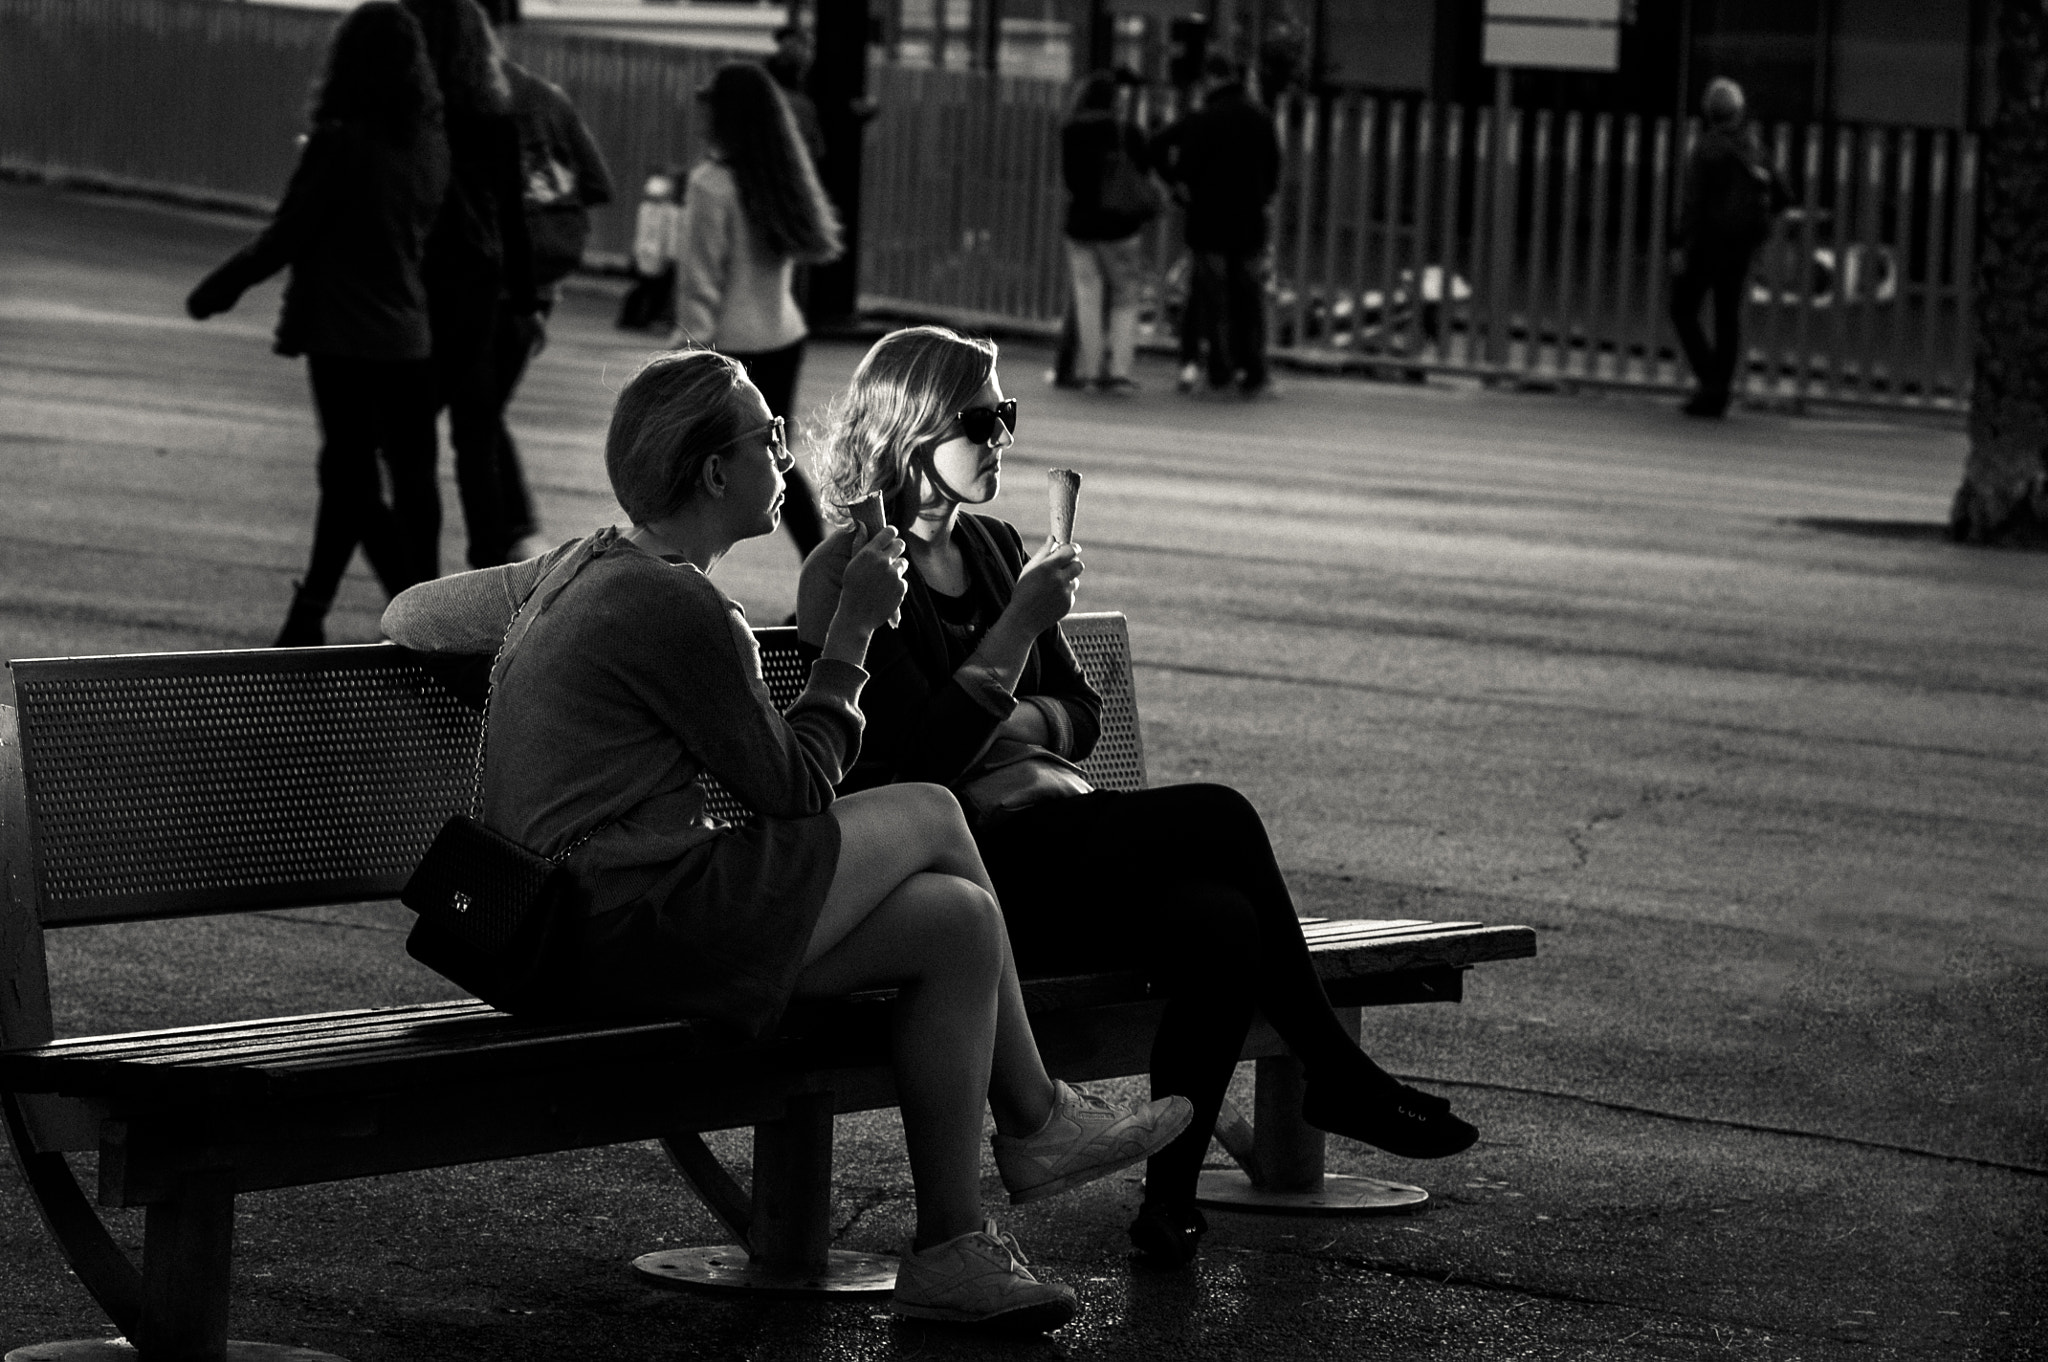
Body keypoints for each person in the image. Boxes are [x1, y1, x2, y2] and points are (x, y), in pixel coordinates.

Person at [381, 349, 1191, 1330]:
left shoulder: (582, 562)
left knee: (955, 921)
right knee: (931, 808)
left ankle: (953, 1250)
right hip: (625, 926)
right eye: (766, 438)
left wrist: (555, 673)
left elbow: (411, 615)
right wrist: (851, 634)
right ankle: (1034, 1120)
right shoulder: (678, 607)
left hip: (586, 917)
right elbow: (800, 791)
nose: (785, 454)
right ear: (716, 474)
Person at [798, 327, 1479, 1269]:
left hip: (1065, 838)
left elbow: (1081, 713)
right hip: (978, 873)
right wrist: (1016, 635)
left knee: (1223, 921)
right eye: (983, 418)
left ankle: (1170, 1204)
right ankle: (1337, 1072)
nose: (1003, 436)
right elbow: (921, 767)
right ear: (913, 427)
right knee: (1220, 814)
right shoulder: (853, 570)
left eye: (1008, 416)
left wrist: (1010, 710)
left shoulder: (995, 548)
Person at [186, 1, 449, 646]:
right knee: (379, 480)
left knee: (349, 477)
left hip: (343, 334)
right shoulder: (430, 142)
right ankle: (382, 612)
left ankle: (332, 613)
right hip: (407, 335)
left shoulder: (342, 141)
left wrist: (219, 288)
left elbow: (290, 232)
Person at [671, 61, 836, 561]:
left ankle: (676, 580)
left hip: (728, 345)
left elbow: (700, 281)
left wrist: (686, 356)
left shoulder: (711, 184)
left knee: (690, 471)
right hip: (783, 337)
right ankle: (821, 567)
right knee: (774, 461)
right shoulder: (779, 176)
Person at [403, 0, 541, 571]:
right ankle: (488, 572)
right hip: (480, 296)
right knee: (476, 441)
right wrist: (528, 303)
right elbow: (513, 217)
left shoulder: (407, 118)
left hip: (416, 293)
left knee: (409, 444)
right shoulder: (494, 118)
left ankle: (415, 578)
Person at [480, 0, 614, 555]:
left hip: (483, 280)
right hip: (538, 285)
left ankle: (509, 541)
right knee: (482, 411)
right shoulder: (548, 99)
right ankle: (510, 537)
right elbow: (598, 184)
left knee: (474, 413)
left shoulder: (458, 100)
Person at [1150, 56, 1280, 398]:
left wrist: (1178, 187)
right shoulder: (1260, 119)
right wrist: (1260, 196)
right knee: (1248, 298)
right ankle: (1252, 368)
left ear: (1210, 79)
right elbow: (1274, 170)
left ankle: (1216, 367)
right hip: (1250, 223)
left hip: (1209, 223)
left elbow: (1168, 154)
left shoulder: (1204, 119)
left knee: (1210, 297)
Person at [1669, 78, 1789, 419]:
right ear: (1740, 111)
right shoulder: (1754, 146)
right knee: (1727, 316)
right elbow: (1783, 194)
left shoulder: (1706, 148)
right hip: (1741, 245)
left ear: (1708, 113)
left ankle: (1712, 385)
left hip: (1708, 243)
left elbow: (1692, 204)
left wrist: (1680, 244)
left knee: (1682, 308)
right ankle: (1717, 391)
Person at [1059, 70, 1159, 393]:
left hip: (1082, 225)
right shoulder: (1128, 132)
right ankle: (1119, 371)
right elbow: (1144, 170)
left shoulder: (1070, 131)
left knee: (1088, 296)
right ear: (1115, 100)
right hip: (1119, 227)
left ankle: (1090, 372)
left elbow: (1070, 180)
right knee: (1125, 297)